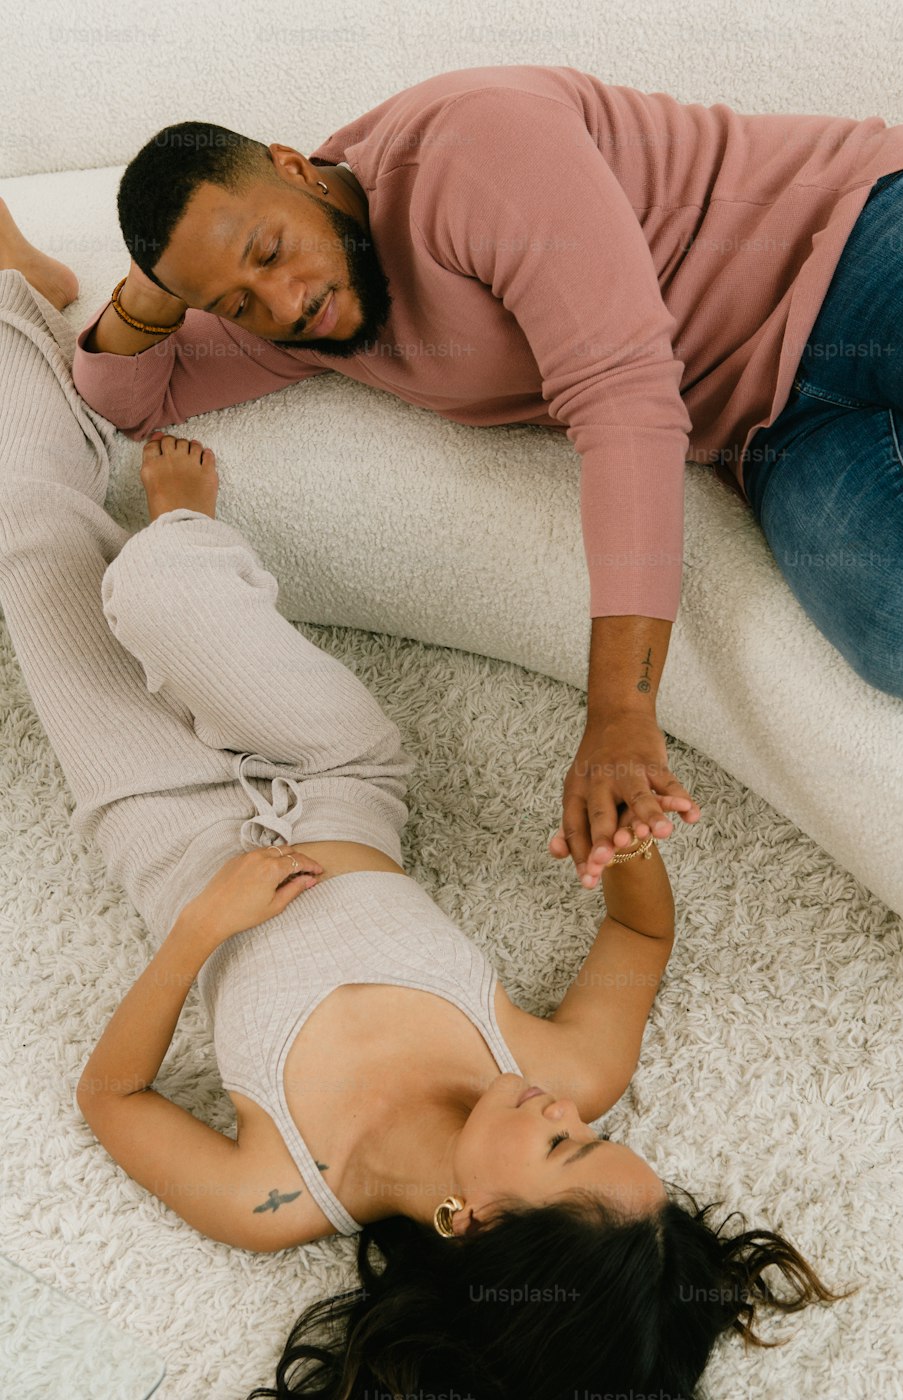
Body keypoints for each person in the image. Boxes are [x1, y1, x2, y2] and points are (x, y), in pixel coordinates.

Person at [0, 235, 844, 1398]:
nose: (571, 1111)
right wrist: (626, 849)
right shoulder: (560, 1062)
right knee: (157, 585)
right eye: (596, 1131)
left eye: (567, 1144)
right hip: (329, 767)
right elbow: (639, 940)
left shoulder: (279, 1192)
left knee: (27, 540)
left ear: (471, 1222)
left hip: (155, 820)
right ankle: (183, 529)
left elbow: (114, 1098)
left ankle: (17, 305)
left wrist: (200, 930)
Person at [68, 66, 903, 904]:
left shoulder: (470, 146)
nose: (278, 303)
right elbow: (129, 391)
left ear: (297, 169)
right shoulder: (307, 322)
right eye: (234, 303)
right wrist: (159, 290)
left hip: (874, 238)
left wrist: (622, 713)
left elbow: (626, 401)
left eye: (269, 254)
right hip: (780, 428)